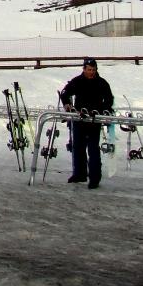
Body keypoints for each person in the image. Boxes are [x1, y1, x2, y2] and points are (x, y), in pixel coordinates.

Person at [60, 57, 114, 190]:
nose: (91, 72)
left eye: (93, 70)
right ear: (84, 69)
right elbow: (65, 93)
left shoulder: (101, 83)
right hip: (79, 119)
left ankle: (94, 178)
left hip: (94, 120)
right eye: (89, 70)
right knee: (77, 147)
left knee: (93, 149)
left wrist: (104, 110)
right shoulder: (77, 81)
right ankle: (79, 174)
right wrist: (67, 104)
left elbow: (108, 98)